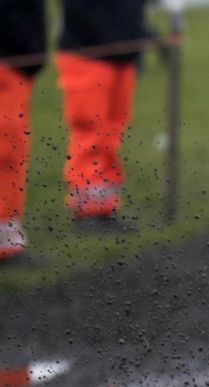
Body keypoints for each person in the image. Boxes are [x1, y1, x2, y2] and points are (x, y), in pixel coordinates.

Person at [57, 0, 150, 229]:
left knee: (111, 132)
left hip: (121, 53)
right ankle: (87, 210)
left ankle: (103, 205)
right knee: (91, 132)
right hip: (89, 52)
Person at [0, 0, 46, 264]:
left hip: (17, 62)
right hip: (10, 59)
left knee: (12, 150)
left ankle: (6, 236)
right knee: (5, 150)